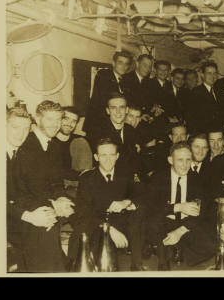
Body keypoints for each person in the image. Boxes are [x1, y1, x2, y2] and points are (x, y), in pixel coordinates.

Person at [69, 138, 147, 271]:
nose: (108, 159)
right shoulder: (87, 178)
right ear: (96, 157)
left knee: (140, 211)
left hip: (123, 222)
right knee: (94, 260)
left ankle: (136, 265)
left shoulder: (126, 174)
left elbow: (142, 195)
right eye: (103, 155)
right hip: (97, 223)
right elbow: (85, 212)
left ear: (117, 156)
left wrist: (127, 201)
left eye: (112, 155)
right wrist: (109, 229)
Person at [15, 100, 75, 272]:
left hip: (48, 200)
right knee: (46, 227)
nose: (55, 125)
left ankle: (74, 262)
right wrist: (52, 204)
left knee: (85, 210)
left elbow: (57, 180)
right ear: (38, 119)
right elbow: (24, 188)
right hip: (26, 205)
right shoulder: (24, 143)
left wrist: (62, 197)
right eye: (50, 119)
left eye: (58, 120)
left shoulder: (55, 145)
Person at [148, 142, 216, 269]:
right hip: (164, 220)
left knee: (211, 246)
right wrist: (177, 207)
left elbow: (201, 211)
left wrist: (179, 232)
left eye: (188, 160)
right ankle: (165, 256)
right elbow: (151, 206)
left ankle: (176, 247)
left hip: (185, 223)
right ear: (170, 160)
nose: (185, 165)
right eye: (180, 160)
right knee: (153, 224)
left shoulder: (197, 179)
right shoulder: (158, 178)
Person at [6, 106, 33, 272]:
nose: (21, 134)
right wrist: (27, 215)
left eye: (25, 129)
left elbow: (25, 191)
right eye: (15, 128)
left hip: (13, 215)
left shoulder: (21, 154)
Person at [87, 93, 139, 175]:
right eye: (113, 108)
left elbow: (134, 159)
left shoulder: (130, 130)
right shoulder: (97, 131)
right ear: (108, 111)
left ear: (127, 110)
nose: (118, 112)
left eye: (121, 107)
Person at [83, 51, 133, 135]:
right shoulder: (104, 75)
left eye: (126, 64)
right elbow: (109, 98)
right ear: (113, 63)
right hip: (97, 122)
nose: (123, 66)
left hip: (111, 121)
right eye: (120, 63)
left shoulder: (125, 81)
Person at [54, 107, 92, 181]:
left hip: (77, 185)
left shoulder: (80, 140)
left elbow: (87, 171)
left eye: (74, 121)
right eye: (66, 119)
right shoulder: (49, 141)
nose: (69, 124)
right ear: (59, 119)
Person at [187, 61, 223, 134]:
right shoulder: (196, 92)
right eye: (209, 73)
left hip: (217, 133)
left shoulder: (219, 92)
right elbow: (192, 119)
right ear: (202, 75)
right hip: (203, 134)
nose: (213, 76)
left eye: (215, 73)